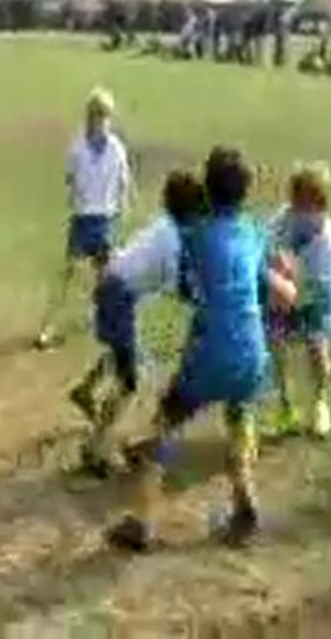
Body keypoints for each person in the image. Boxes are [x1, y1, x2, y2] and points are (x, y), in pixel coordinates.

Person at [105, 146, 298, 552]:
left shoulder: (196, 234)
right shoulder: (255, 230)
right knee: (239, 416)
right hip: (252, 349)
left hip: (213, 350)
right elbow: (269, 283)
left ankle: (142, 522)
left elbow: (186, 245)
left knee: (166, 423)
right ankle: (246, 505)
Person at [70, 171, 208, 478]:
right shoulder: (173, 239)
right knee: (131, 381)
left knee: (125, 351)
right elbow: (180, 287)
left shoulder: (165, 227)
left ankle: (87, 390)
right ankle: (93, 450)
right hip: (117, 296)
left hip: (115, 290)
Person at [36, 87, 132, 350]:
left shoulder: (116, 148)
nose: (100, 121)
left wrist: (120, 207)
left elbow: (124, 181)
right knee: (68, 273)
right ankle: (48, 326)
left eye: (105, 116)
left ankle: (99, 319)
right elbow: (70, 177)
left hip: (105, 220)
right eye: (96, 115)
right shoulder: (77, 146)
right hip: (83, 220)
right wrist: (78, 198)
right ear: (89, 116)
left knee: (105, 276)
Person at [264, 161, 331, 440]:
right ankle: (286, 408)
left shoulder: (327, 239)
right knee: (277, 347)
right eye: (293, 195)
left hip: (316, 295)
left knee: (317, 349)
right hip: (285, 291)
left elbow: (322, 284)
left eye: (301, 197)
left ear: (317, 200)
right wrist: (275, 265)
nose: (294, 202)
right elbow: (265, 244)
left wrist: (288, 281)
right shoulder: (284, 217)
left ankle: (320, 403)